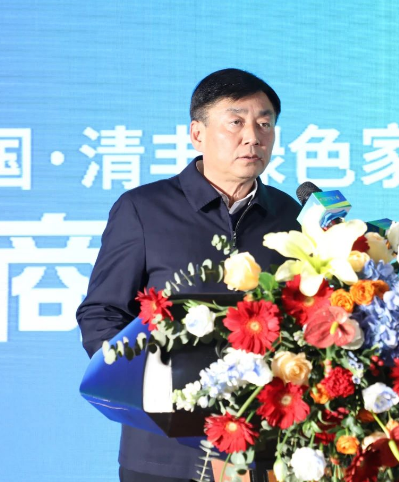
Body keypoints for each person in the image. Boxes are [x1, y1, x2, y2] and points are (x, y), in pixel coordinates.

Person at [76, 68, 302, 482]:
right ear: (197, 134)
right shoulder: (143, 209)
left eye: (264, 124)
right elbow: (101, 313)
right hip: (164, 453)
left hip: (267, 450)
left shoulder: (290, 214)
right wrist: (147, 384)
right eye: (236, 122)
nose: (253, 136)